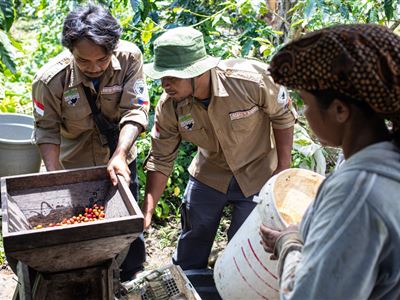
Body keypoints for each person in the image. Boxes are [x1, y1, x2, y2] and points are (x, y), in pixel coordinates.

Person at [260, 24, 400, 299]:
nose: (304, 114)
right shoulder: (386, 160)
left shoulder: (355, 193)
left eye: (306, 103)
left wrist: (290, 243)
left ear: (339, 110)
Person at [142, 27, 296, 270]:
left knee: (244, 248)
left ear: (198, 71)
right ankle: (188, 287)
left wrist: (282, 169)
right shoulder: (170, 106)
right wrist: (147, 210)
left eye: (173, 76)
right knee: (193, 240)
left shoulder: (249, 81)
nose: (165, 84)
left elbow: (283, 116)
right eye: (162, 76)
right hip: (209, 174)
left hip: (258, 173)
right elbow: (161, 158)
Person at [31, 4, 149, 281]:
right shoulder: (49, 81)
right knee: (83, 234)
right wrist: (56, 176)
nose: (94, 68)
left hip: (118, 163)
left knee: (128, 234)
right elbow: (46, 130)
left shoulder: (130, 59)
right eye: (84, 61)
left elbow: (136, 109)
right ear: (70, 51)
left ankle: (129, 277)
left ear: (113, 48)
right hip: (77, 167)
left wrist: (120, 153)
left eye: (102, 59)